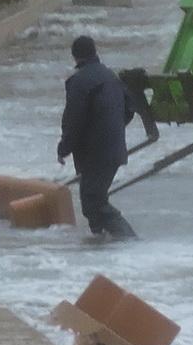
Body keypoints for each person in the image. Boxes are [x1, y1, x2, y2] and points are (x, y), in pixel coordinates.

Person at [58, 34, 137, 238]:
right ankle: (101, 244)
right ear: (94, 52)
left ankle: (131, 241)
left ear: (75, 57)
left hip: (95, 153)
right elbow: (129, 108)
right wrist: (112, 130)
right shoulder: (112, 76)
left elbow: (73, 120)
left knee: (93, 201)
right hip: (113, 148)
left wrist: (63, 149)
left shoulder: (79, 82)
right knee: (91, 200)